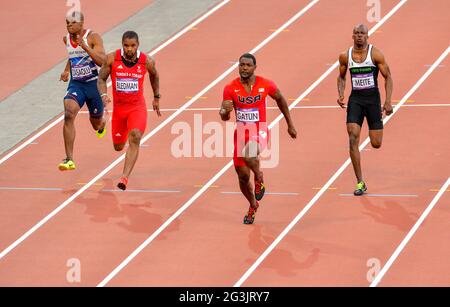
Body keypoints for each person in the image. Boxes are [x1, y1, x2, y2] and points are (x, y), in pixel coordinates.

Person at [220, 53, 297, 224]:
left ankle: (259, 177)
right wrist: (224, 112)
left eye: (248, 65)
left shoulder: (265, 84)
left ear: (255, 67)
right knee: (242, 177)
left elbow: (281, 99)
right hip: (240, 133)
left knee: (250, 155)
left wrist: (289, 124)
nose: (244, 68)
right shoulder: (230, 88)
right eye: (241, 65)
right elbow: (225, 117)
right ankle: (253, 205)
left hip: (259, 129)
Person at [98, 31, 161, 190]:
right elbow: (101, 79)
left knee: (135, 136)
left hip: (136, 108)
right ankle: (113, 127)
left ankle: (124, 178)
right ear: (122, 45)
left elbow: (154, 76)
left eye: (133, 46)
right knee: (118, 147)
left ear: (138, 45)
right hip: (119, 111)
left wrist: (156, 97)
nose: (129, 49)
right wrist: (104, 94)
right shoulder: (112, 59)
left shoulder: (147, 62)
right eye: (126, 45)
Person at [337, 24, 393, 196]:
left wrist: (388, 101)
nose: (360, 36)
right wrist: (340, 94)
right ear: (352, 36)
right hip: (356, 100)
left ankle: (375, 125)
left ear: (367, 36)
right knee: (353, 136)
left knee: (376, 143)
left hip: (373, 100)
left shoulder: (375, 54)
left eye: (363, 33)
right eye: (357, 33)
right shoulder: (345, 56)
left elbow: (388, 77)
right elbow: (341, 77)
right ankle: (360, 182)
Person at [59, 11, 107, 171]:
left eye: (72, 22)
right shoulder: (66, 39)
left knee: (96, 124)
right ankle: (69, 159)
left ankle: (102, 124)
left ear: (81, 23)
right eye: (67, 22)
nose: (69, 25)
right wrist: (67, 70)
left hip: (93, 86)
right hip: (77, 85)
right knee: (68, 113)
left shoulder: (93, 37)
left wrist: (85, 46)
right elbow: (72, 56)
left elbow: (102, 62)